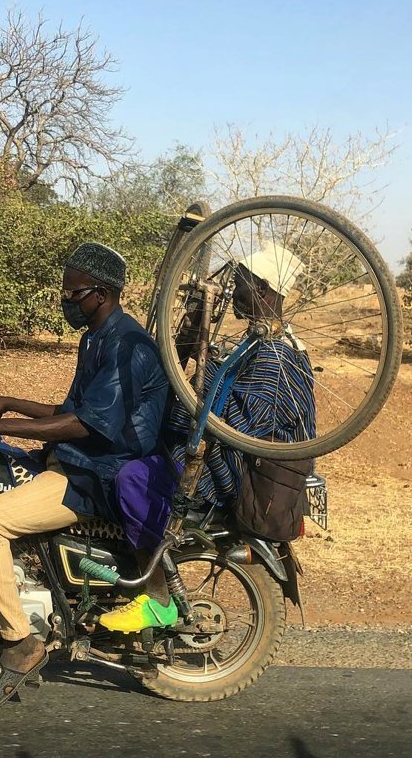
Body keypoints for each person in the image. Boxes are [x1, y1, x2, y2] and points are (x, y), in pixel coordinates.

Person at [0, 242, 169, 710]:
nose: (65, 301)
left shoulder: (129, 347)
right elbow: (71, 412)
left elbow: (86, 425)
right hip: (79, 459)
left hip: (97, 474)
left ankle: (20, 643)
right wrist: (5, 403)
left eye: (72, 293)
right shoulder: (97, 338)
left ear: (100, 294)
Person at [100, 243, 316, 633]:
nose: (235, 292)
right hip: (225, 461)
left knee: (131, 477)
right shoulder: (261, 343)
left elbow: (239, 428)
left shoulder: (275, 357)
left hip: (228, 477)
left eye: (242, 284)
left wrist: (202, 365)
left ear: (264, 291)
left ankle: (157, 596)